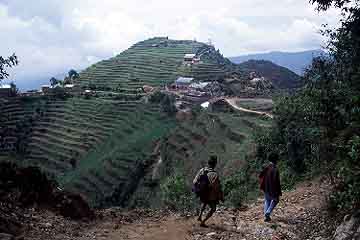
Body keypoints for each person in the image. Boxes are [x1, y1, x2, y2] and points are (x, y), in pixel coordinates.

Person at [193, 155, 224, 227]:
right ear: (215, 164)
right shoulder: (215, 174)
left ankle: (199, 216)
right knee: (213, 208)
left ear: (208, 163)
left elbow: (194, 181)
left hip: (202, 193)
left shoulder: (202, 170)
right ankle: (203, 222)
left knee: (204, 202)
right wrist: (221, 196)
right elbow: (216, 187)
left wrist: (199, 188)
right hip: (210, 195)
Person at [259, 152, 282, 222]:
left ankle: (266, 217)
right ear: (276, 160)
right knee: (276, 200)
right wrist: (278, 191)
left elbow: (260, 176)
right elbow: (276, 181)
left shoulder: (266, 167)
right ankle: (268, 212)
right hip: (272, 189)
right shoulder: (275, 169)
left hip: (266, 188)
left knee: (267, 200)